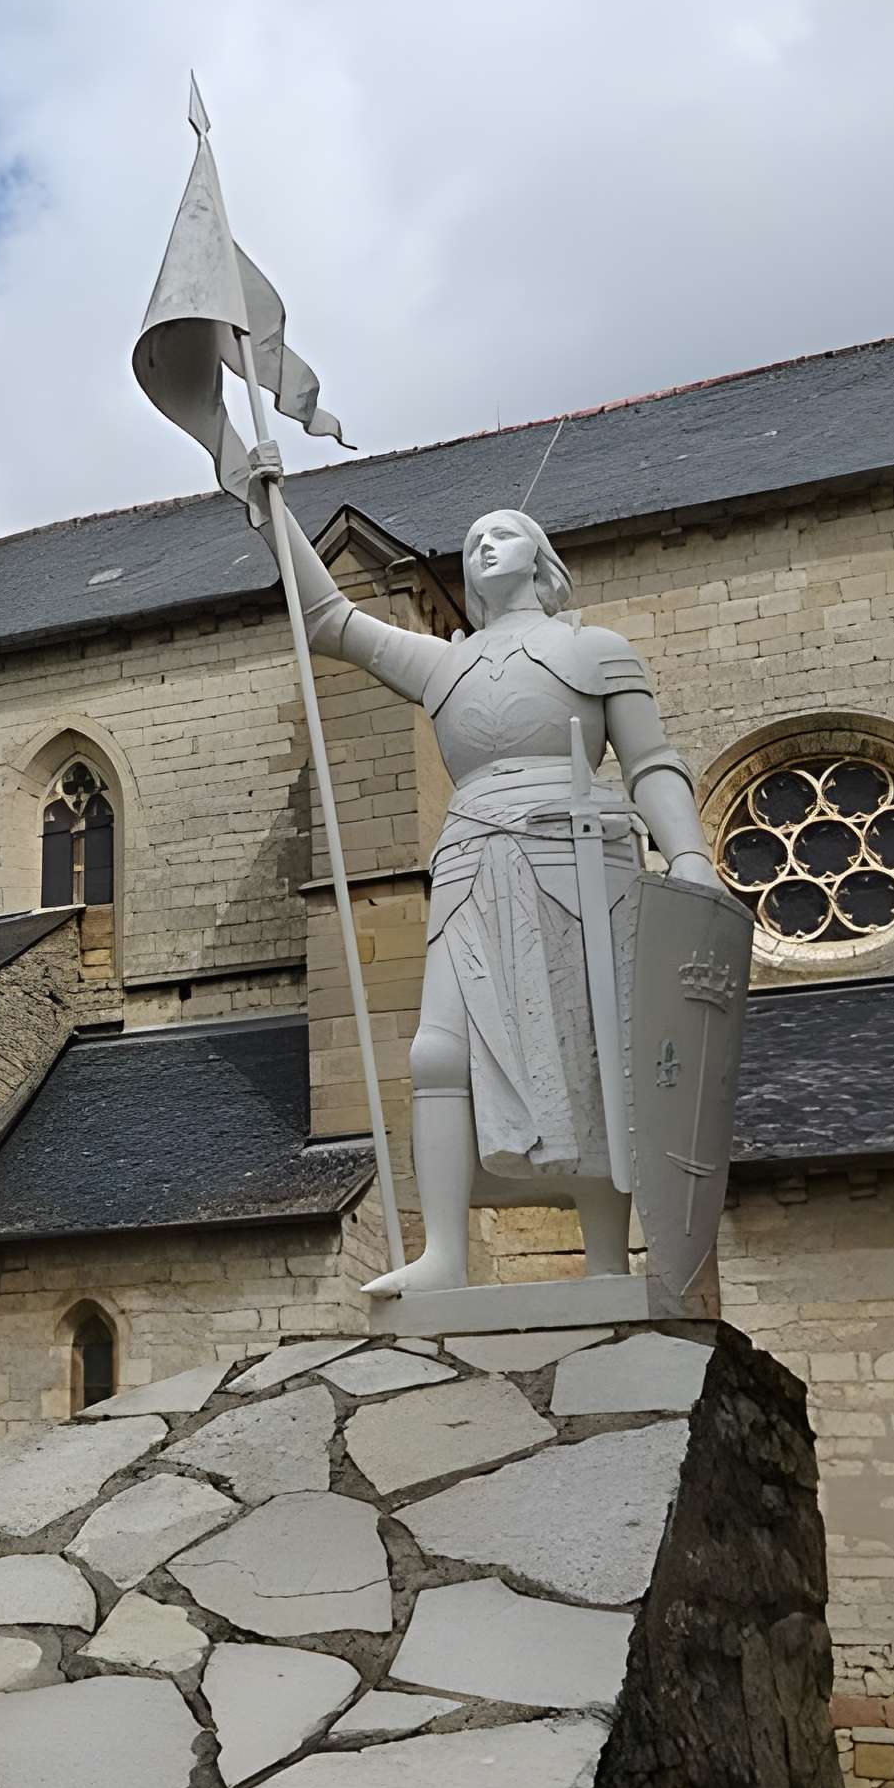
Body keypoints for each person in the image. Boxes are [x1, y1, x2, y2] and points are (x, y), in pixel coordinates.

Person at [269, 476, 718, 1292]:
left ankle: (609, 1262)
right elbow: (331, 620)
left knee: (591, 1056)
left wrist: (688, 854)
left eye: (503, 532)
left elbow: (651, 762)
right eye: (473, 539)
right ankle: (444, 1256)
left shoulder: (598, 649)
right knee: (436, 1052)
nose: (483, 543)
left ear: (540, 560)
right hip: (474, 855)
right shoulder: (445, 663)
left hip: (580, 858)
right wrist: (259, 499)